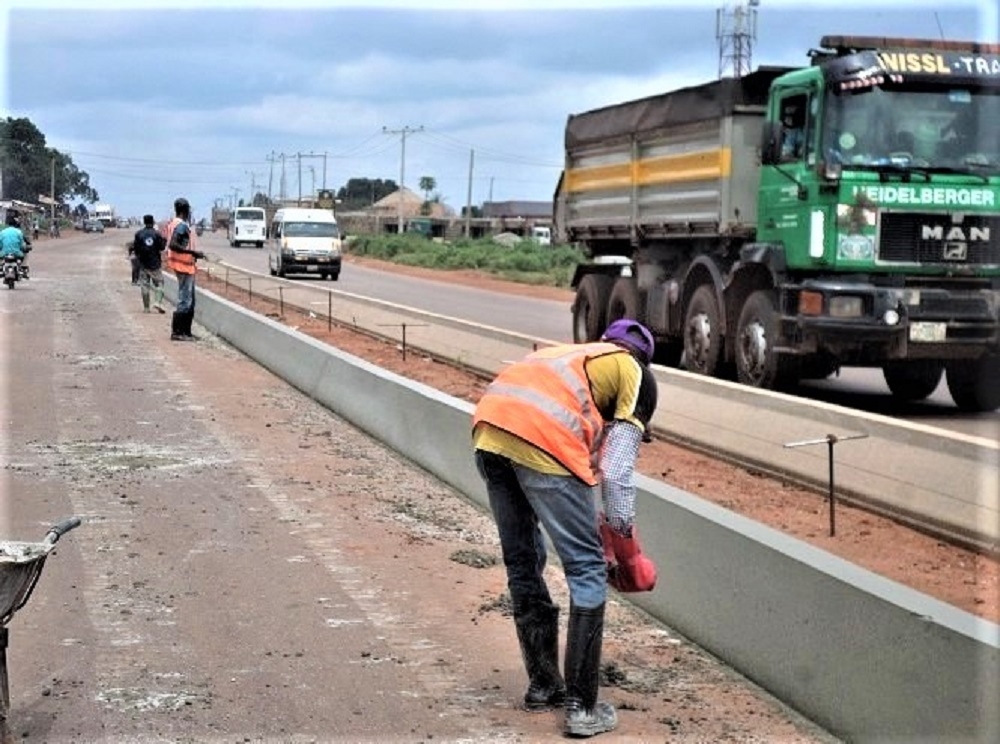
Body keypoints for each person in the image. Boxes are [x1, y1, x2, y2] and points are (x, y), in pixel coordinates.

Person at [471, 319, 659, 739]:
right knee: (587, 570)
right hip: (542, 441)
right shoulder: (636, 373)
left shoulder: (571, 358)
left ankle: (543, 684)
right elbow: (615, 469)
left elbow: (584, 458)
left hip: (490, 434)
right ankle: (582, 708)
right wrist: (623, 542)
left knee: (523, 562)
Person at [163, 197, 206, 341]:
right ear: (185, 210)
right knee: (185, 300)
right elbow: (174, 245)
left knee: (190, 300)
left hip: (185, 265)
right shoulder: (181, 225)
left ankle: (186, 332)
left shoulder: (173, 223)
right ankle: (178, 332)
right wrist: (193, 253)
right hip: (184, 266)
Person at [132, 214, 167, 313]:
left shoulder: (138, 234)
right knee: (159, 283)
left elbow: (136, 249)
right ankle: (157, 302)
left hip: (143, 264)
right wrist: (164, 240)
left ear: (144, 222)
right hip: (155, 264)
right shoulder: (157, 234)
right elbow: (162, 248)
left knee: (144, 285)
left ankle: (146, 308)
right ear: (153, 222)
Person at [0, 212, 29, 278]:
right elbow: (22, 244)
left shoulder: (2, 232)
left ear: (7, 224)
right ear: (16, 224)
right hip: (17, 253)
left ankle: (1, 267)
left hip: (4, 253)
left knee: (1, 260)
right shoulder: (19, 232)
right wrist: (25, 248)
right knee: (25, 255)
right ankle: (23, 269)